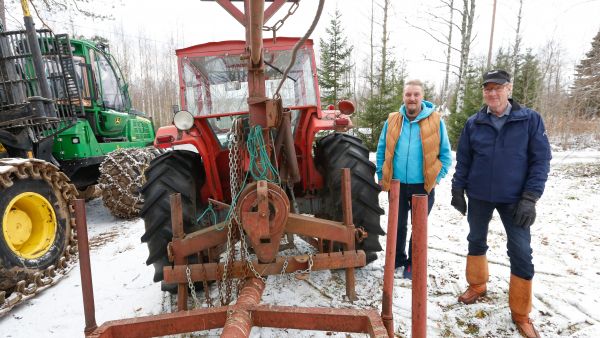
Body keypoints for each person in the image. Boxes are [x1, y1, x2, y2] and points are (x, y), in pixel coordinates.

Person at [451, 70, 551, 338]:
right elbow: (464, 160)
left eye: (498, 88)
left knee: (520, 251)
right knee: (476, 240)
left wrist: (530, 198)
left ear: (509, 88)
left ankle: (520, 312)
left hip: (515, 200)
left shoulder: (529, 120)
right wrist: (458, 188)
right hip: (480, 196)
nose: (492, 93)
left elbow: (540, 161)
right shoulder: (475, 123)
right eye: (488, 89)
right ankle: (477, 285)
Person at [376, 79, 452, 280]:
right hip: (397, 184)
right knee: (397, 224)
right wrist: (380, 175)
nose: (412, 98)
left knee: (418, 227)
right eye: (408, 94)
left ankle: (412, 263)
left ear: (422, 97)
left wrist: (437, 178)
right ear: (404, 96)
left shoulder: (435, 121)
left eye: (416, 94)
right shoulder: (392, 120)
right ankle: (397, 260)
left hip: (423, 185)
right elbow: (382, 150)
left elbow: (445, 155)